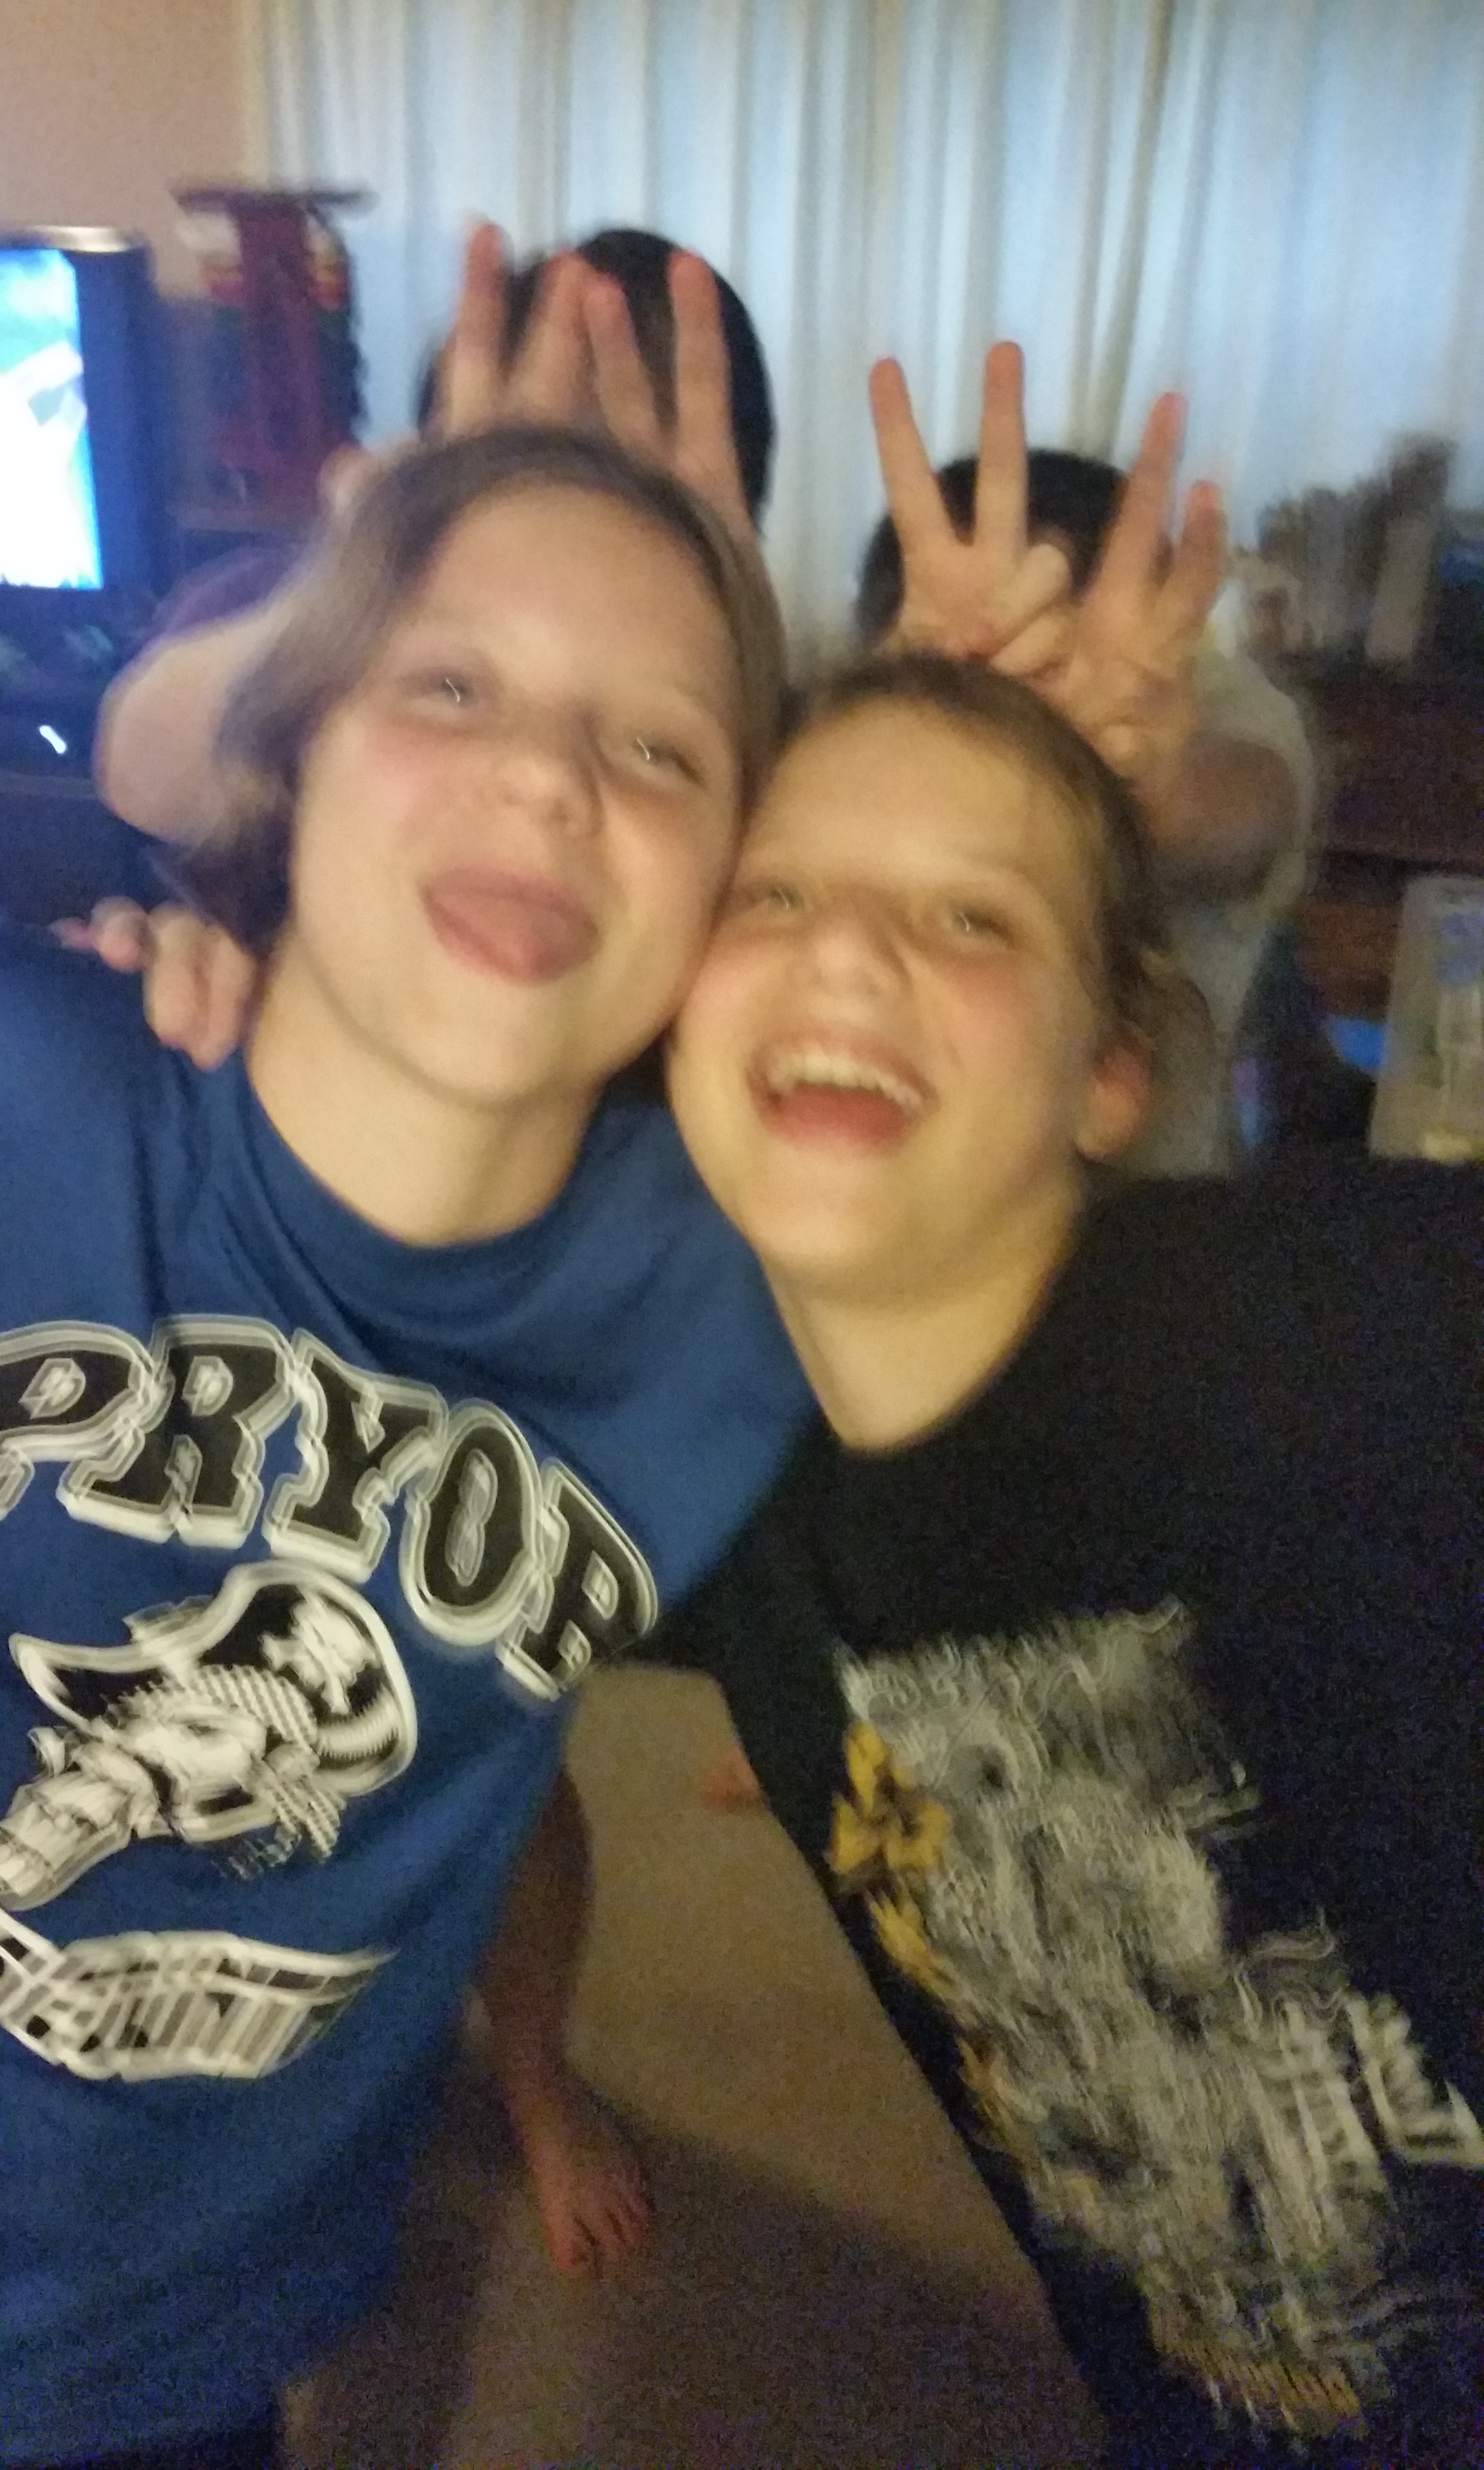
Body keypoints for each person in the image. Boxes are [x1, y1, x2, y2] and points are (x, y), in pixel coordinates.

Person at [0, 422, 810, 2468]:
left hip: (174, 2347)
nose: (545, 777)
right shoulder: (36, 1093)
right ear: (291, 752)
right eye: (448, 683)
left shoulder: (744, 1298)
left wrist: (1069, 770)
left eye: (658, 747)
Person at [657, 648, 1481, 2467]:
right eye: (772, 894)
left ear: (1113, 1072)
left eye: (971, 916)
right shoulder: (711, 1497)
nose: (845, 954)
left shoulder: (1335, 1333)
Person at [95, 221, 775, 847]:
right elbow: (142, 774)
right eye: (523, 463)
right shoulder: (299, 595)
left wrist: (743, 651)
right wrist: (375, 562)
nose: (543, 776)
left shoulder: (738, 696)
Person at [854, 404, 1314, 1173]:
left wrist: (1143, 787)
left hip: (1152, 1216)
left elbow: (1245, 814)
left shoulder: (1222, 709)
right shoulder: (859, 715)